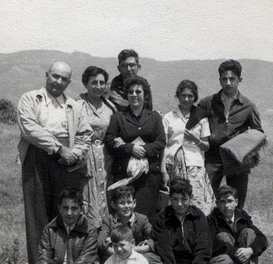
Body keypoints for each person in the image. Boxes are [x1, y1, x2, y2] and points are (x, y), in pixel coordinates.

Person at [17, 62, 93, 264]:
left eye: (64, 79)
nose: (58, 82)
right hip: (37, 158)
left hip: (66, 163)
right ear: (46, 75)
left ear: (69, 82)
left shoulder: (75, 106)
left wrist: (74, 154)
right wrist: (58, 149)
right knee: (37, 215)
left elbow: (85, 134)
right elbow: (29, 129)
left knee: (65, 212)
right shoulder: (30, 99)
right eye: (55, 76)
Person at [193, 60, 264, 208]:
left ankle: (234, 230)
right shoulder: (208, 102)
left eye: (232, 79)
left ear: (240, 80)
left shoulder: (248, 106)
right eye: (224, 79)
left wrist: (245, 153)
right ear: (219, 80)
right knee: (206, 200)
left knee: (237, 203)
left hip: (236, 161)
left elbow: (258, 133)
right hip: (212, 159)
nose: (228, 82)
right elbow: (192, 123)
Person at [152, 178, 233, 264]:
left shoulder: (199, 216)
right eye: (175, 199)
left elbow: (204, 248)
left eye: (184, 199)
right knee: (148, 259)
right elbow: (164, 249)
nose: (179, 204)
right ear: (170, 198)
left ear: (191, 198)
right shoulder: (162, 218)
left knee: (225, 260)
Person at [13, 188, 100, 264]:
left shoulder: (90, 229)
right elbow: (43, 258)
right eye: (65, 208)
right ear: (59, 208)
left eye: (74, 208)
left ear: (81, 209)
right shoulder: (50, 229)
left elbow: (86, 259)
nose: (69, 213)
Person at [104, 76, 165, 221]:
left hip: (148, 177)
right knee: (123, 214)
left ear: (145, 94)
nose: (134, 95)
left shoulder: (155, 117)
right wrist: (130, 148)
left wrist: (143, 149)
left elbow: (161, 142)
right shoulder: (118, 117)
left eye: (138, 92)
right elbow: (110, 141)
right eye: (130, 92)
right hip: (124, 175)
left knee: (146, 216)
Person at [161, 80, 215, 214]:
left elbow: (206, 146)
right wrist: (163, 171)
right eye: (183, 95)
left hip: (194, 166)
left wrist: (195, 139)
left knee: (196, 202)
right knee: (176, 202)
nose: (186, 99)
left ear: (195, 97)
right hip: (173, 165)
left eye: (190, 96)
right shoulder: (169, 117)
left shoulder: (201, 118)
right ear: (177, 96)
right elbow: (163, 145)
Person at [208, 185, 268, 264]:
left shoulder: (242, 216)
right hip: (227, 260)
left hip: (245, 255)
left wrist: (250, 250)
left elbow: (262, 238)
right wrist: (235, 251)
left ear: (236, 202)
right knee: (223, 236)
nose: (226, 206)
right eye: (222, 202)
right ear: (217, 203)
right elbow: (212, 243)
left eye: (230, 201)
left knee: (249, 233)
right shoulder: (212, 219)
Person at [97, 185, 166, 264]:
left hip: (137, 256)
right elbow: (100, 241)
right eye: (121, 203)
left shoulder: (142, 219)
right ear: (113, 205)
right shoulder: (109, 220)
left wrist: (140, 249)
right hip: (117, 255)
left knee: (150, 259)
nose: (126, 206)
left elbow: (154, 238)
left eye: (129, 202)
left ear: (134, 203)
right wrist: (116, 251)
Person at [78, 66, 117, 221]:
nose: (99, 86)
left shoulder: (110, 107)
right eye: (94, 82)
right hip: (85, 156)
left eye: (102, 82)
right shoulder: (77, 105)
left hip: (106, 157)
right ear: (86, 84)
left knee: (105, 193)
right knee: (86, 193)